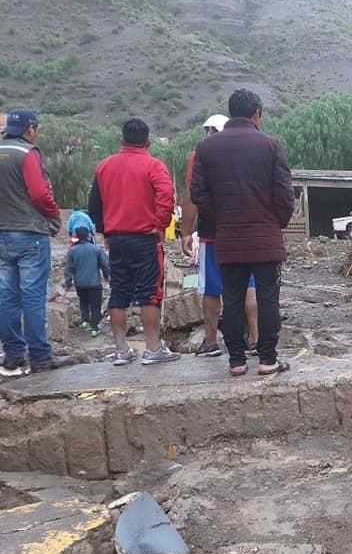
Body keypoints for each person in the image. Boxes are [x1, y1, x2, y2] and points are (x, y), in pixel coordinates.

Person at [190, 89, 294, 376]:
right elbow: (285, 195)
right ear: (256, 114)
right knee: (267, 298)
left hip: (228, 238)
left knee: (232, 299)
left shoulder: (207, 148)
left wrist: (220, 218)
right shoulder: (271, 145)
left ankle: (236, 361)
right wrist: (276, 223)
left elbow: (198, 193)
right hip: (265, 239)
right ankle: (267, 359)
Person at [88, 118, 180, 366]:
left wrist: (104, 231)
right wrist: (160, 224)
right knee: (150, 292)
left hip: (116, 239)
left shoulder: (104, 167)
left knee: (118, 291)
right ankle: (152, 348)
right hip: (145, 238)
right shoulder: (154, 166)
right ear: (148, 141)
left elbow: (94, 203)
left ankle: (121, 350)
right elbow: (166, 194)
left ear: (122, 140)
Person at [0, 108, 74, 376]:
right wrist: (54, 215)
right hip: (29, 234)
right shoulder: (27, 153)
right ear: (30, 129)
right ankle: (41, 357)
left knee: (6, 295)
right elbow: (40, 193)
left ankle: (13, 355)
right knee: (32, 295)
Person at [180, 114, 258, 357]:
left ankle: (211, 341)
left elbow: (192, 195)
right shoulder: (252, 151)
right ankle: (255, 338)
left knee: (212, 288)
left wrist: (185, 232)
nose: (206, 135)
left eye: (209, 130)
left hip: (213, 232)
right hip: (248, 229)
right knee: (249, 284)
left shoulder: (201, 154)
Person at [63, 227, 110, 337]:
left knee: (83, 301)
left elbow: (69, 268)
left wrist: (68, 282)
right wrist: (107, 276)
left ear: (77, 237)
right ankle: (95, 327)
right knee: (95, 305)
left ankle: (85, 321)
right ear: (88, 236)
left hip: (80, 283)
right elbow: (105, 265)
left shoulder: (72, 250)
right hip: (94, 283)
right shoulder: (96, 249)